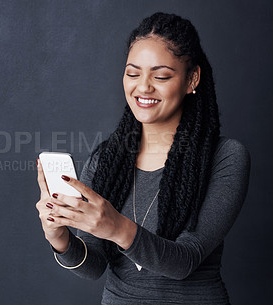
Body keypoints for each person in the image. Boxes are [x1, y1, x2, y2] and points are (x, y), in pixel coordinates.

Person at [35, 12, 251, 305]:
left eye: (161, 76)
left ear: (192, 79)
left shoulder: (225, 157)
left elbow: (184, 261)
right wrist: (58, 237)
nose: (143, 87)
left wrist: (116, 227)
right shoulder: (106, 161)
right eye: (133, 73)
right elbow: (94, 266)